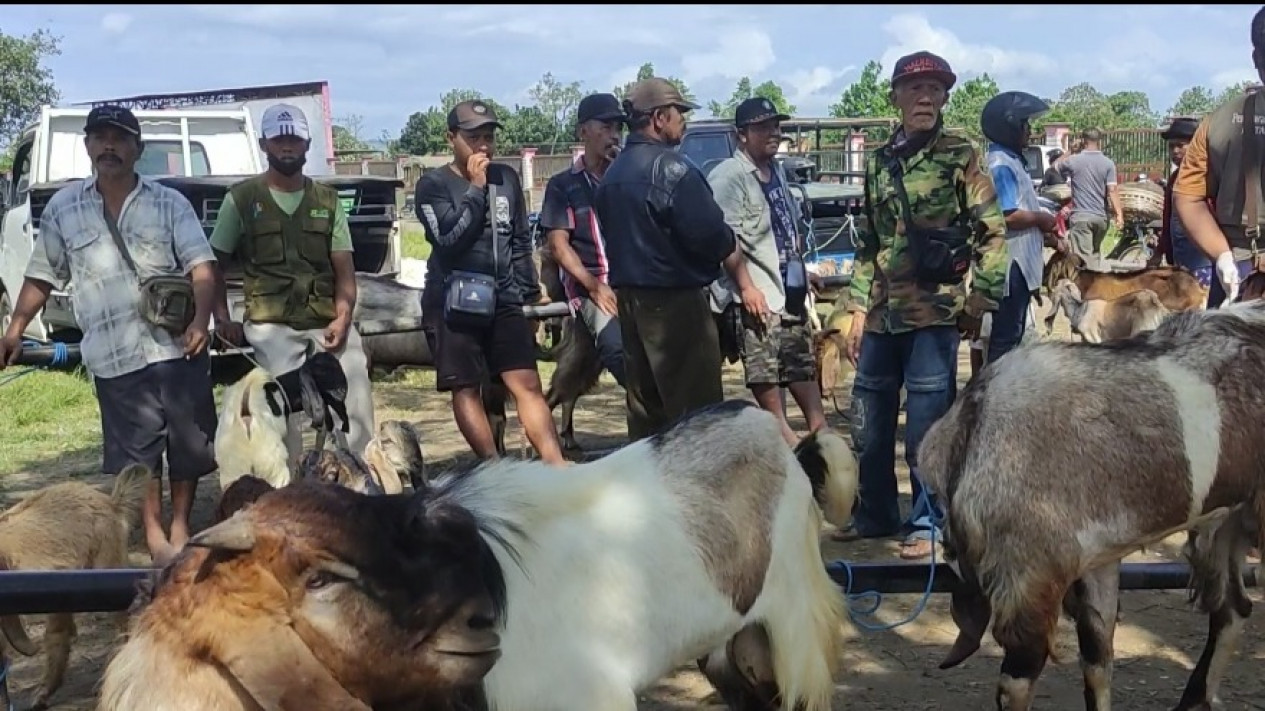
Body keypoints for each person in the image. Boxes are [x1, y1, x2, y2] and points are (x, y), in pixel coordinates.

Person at [0, 105, 218, 566]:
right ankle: (155, 536)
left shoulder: (169, 203)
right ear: (87, 148)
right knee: (136, 453)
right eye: (99, 139)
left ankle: (181, 526)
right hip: (113, 356)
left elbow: (202, 266)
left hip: (176, 347)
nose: (109, 147)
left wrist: (200, 321)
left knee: (188, 445)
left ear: (138, 148)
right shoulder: (64, 208)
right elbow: (42, 275)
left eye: (118, 139)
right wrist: (15, 328)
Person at [838, 51, 1009, 560]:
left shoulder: (959, 153)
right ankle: (874, 514)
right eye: (915, 89)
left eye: (936, 89)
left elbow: (992, 232)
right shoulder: (878, 160)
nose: (927, 98)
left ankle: (928, 522)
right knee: (867, 425)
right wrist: (851, 307)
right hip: (881, 317)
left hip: (934, 316)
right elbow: (868, 244)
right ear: (895, 97)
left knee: (928, 430)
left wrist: (981, 299)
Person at [594, 77, 769, 440]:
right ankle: (701, 496)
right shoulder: (673, 170)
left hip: (630, 303)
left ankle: (654, 495)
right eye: (680, 113)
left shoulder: (612, 175)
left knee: (647, 418)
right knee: (698, 420)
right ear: (659, 118)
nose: (684, 121)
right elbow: (715, 238)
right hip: (676, 306)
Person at [210, 103, 375, 460]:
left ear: (307, 144)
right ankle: (290, 487)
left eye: (295, 139)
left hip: (325, 319)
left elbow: (344, 270)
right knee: (279, 405)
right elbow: (212, 266)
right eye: (279, 139)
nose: (287, 146)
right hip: (271, 325)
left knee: (355, 381)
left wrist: (343, 316)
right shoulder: (241, 199)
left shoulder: (328, 202)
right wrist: (222, 318)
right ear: (264, 144)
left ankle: (361, 476)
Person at [414, 99, 566, 464]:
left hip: (503, 298)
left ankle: (555, 461)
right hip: (453, 299)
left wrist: (529, 296)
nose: (484, 146)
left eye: (488, 137)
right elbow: (449, 240)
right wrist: (477, 188)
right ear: (451, 138)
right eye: (473, 137)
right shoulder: (431, 185)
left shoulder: (508, 178)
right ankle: (492, 465)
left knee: (526, 382)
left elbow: (518, 242)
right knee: (465, 387)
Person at [708, 96, 826, 445]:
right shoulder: (728, 177)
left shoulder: (778, 172)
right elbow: (724, 237)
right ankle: (787, 442)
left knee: (800, 363)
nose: (773, 133)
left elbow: (786, 228)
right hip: (757, 293)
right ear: (741, 134)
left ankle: (821, 432)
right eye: (763, 127)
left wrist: (803, 273)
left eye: (776, 126)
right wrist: (746, 287)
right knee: (765, 370)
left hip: (787, 291)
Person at [1173, 8, 1265, 307]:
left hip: (1240, 271)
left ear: (1256, 57)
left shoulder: (1221, 120)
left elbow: (1188, 197)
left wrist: (1222, 256)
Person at [539, 93, 628, 386]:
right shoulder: (563, 185)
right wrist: (594, 286)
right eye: (605, 127)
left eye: (618, 128)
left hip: (633, 283)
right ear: (583, 132)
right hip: (591, 287)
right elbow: (559, 246)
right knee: (617, 349)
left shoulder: (626, 178)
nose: (614, 135)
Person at [981, 91, 1059, 364]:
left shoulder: (1012, 160)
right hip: (1009, 262)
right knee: (1005, 337)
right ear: (1010, 126)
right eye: (1025, 125)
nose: (1030, 131)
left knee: (1014, 333)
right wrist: (1041, 219)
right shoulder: (1001, 165)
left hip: (1020, 262)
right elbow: (1008, 214)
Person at [1058, 128, 1124, 271]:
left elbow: (1055, 167)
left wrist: (1070, 151)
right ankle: (1096, 288)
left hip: (1081, 216)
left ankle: (1087, 290)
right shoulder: (1108, 163)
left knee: (1082, 262)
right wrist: (1119, 214)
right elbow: (1112, 190)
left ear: (1083, 140)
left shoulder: (1073, 161)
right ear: (1099, 141)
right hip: (1101, 218)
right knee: (1094, 257)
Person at [1152, 118, 1207, 285]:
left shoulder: (1209, 177)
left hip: (1204, 260)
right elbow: (1168, 220)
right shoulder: (1174, 179)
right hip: (1180, 259)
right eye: (1171, 146)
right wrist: (1159, 252)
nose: (1175, 151)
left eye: (1181, 145)